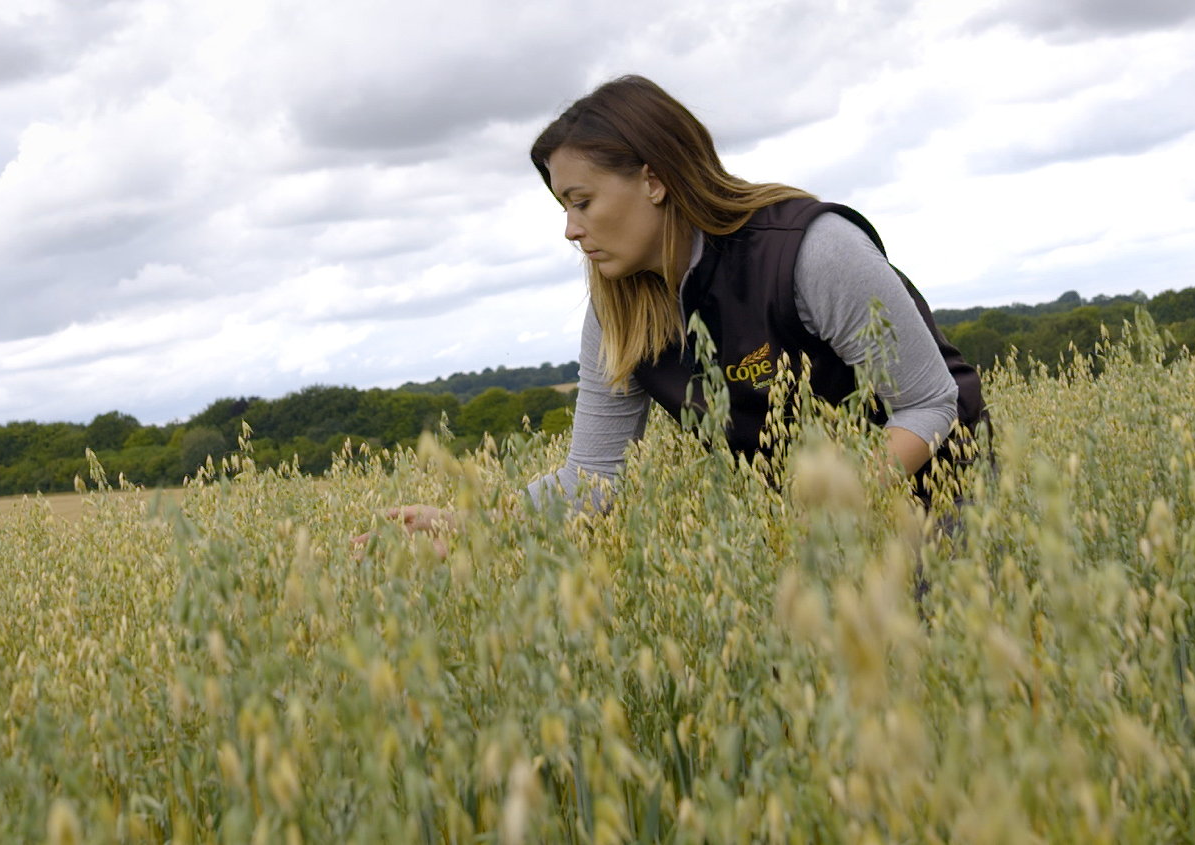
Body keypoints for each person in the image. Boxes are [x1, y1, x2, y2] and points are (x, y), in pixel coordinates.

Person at [370, 75, 986, 544]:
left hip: (940, 499)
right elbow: (593, 478)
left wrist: (834, 499)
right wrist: (477, 525)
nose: (570, 230)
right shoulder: (617, 310)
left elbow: (931, 403)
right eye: (563, 208)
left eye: (581, 202)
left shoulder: (810, 251)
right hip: (801, 532)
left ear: (653, 179)